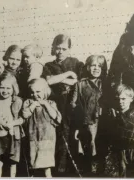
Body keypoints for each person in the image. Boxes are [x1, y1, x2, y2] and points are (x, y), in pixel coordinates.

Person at [108, 9, 134, 176]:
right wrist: (115, 98)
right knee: (129, 144)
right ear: (132, 27)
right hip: (129, 99)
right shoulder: (124, 45)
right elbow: (113, 74)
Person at [43, 34, 84, 175]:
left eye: (64, 49)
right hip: (57, 105)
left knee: (73, 135)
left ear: (69, 49)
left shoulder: (76, 63)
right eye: (58, 48)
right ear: (53, 48)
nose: (60, 51)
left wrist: (61, 80)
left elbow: (79, 81)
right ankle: (58, 171)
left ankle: (72, 170)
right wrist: (68, 75)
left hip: (72, 105)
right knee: (59, 136)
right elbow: (49, 80)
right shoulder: (49, 66)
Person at [70, 55, 107, 174]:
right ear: (87, 67)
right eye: (93, 65)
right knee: (87, 149)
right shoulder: (80, 84)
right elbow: (73, 104)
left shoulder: (105, 84)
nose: (96, 68)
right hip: (85, 122)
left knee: (100, 149)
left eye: (99, 66)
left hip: (101, 123)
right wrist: (77, 122)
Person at [0, 74, 24, 177]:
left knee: (13, 161)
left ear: (13, 88)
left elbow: (23, 118)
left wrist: (13, 123)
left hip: (13, 135)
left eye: (8, 88)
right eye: (2, 87)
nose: (5, 91)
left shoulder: (18, 101)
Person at [22, 78, 61, 177]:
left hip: (47, 136)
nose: (35, 95)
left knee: (46, 159)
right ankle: (32, 175)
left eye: (38, 91)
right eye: (32, 92)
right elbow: (25, 115)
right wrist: (33, 105)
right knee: (33, 157)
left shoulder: (51, 103)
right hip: (33, 135)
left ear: (45, 91)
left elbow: (56, 117)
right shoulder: (28, 102)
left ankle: (48, 175)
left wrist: (46, 104)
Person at [110, 84, 134, 177]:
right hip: (121, 148)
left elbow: (126, 122)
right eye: (118, 99)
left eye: (123, 99)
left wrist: (116, 116)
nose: (120, 102)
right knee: (122, 173)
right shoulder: (118, 113)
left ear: (131, 99)